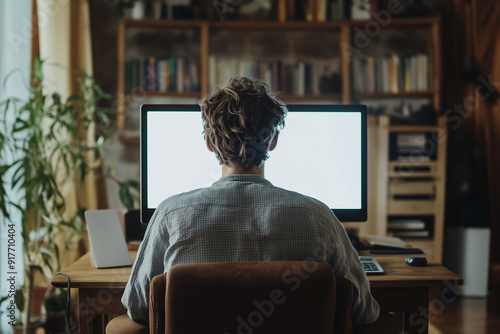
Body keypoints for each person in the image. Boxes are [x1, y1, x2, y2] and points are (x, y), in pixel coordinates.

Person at [122, 76, 379, 326]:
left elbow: (138, 307)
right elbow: (363, 311)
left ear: (209, 143)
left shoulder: (171, 214)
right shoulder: (319, 216)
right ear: (273, 140)